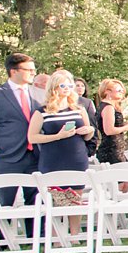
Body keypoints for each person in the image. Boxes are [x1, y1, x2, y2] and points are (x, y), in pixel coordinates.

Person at [28, 69, 94, 230]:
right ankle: (55, 235)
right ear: (54, 87)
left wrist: (89, 131)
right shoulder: (42, 111)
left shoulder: (78, 109)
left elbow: (88, 135)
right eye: (62, 85)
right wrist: (58, 136)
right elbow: (32, 137)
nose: (66, 88)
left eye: (69, 85)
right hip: (53, 158)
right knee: (56, 198)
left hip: (76, 157)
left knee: (75, 196)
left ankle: (74, 234)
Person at [0, 52, 43, 205]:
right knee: (3, 205)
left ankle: (34, 230)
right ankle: (1, 230)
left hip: (36, 156)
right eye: (29, 70)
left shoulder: (39, 95)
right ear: (14, 71)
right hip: (6, 157)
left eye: (34, 69)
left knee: (36, 205)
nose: (34, 73)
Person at [95, 78, 128, 165]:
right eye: (118, 90)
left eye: (122, 90)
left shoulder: (107, 106)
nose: (121, 92)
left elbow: (113, 125)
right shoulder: (108, 107)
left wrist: (126, 124)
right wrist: (126, 128)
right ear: (107, 91)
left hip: (116, 148)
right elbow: (109, 130)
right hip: (111, 150)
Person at [75, 77, 101, 159]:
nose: (80, 88)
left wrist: (92, 146)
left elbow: (92, 124)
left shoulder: (87, 103)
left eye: (82, 86)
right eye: (77, 85)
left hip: (85, 144)